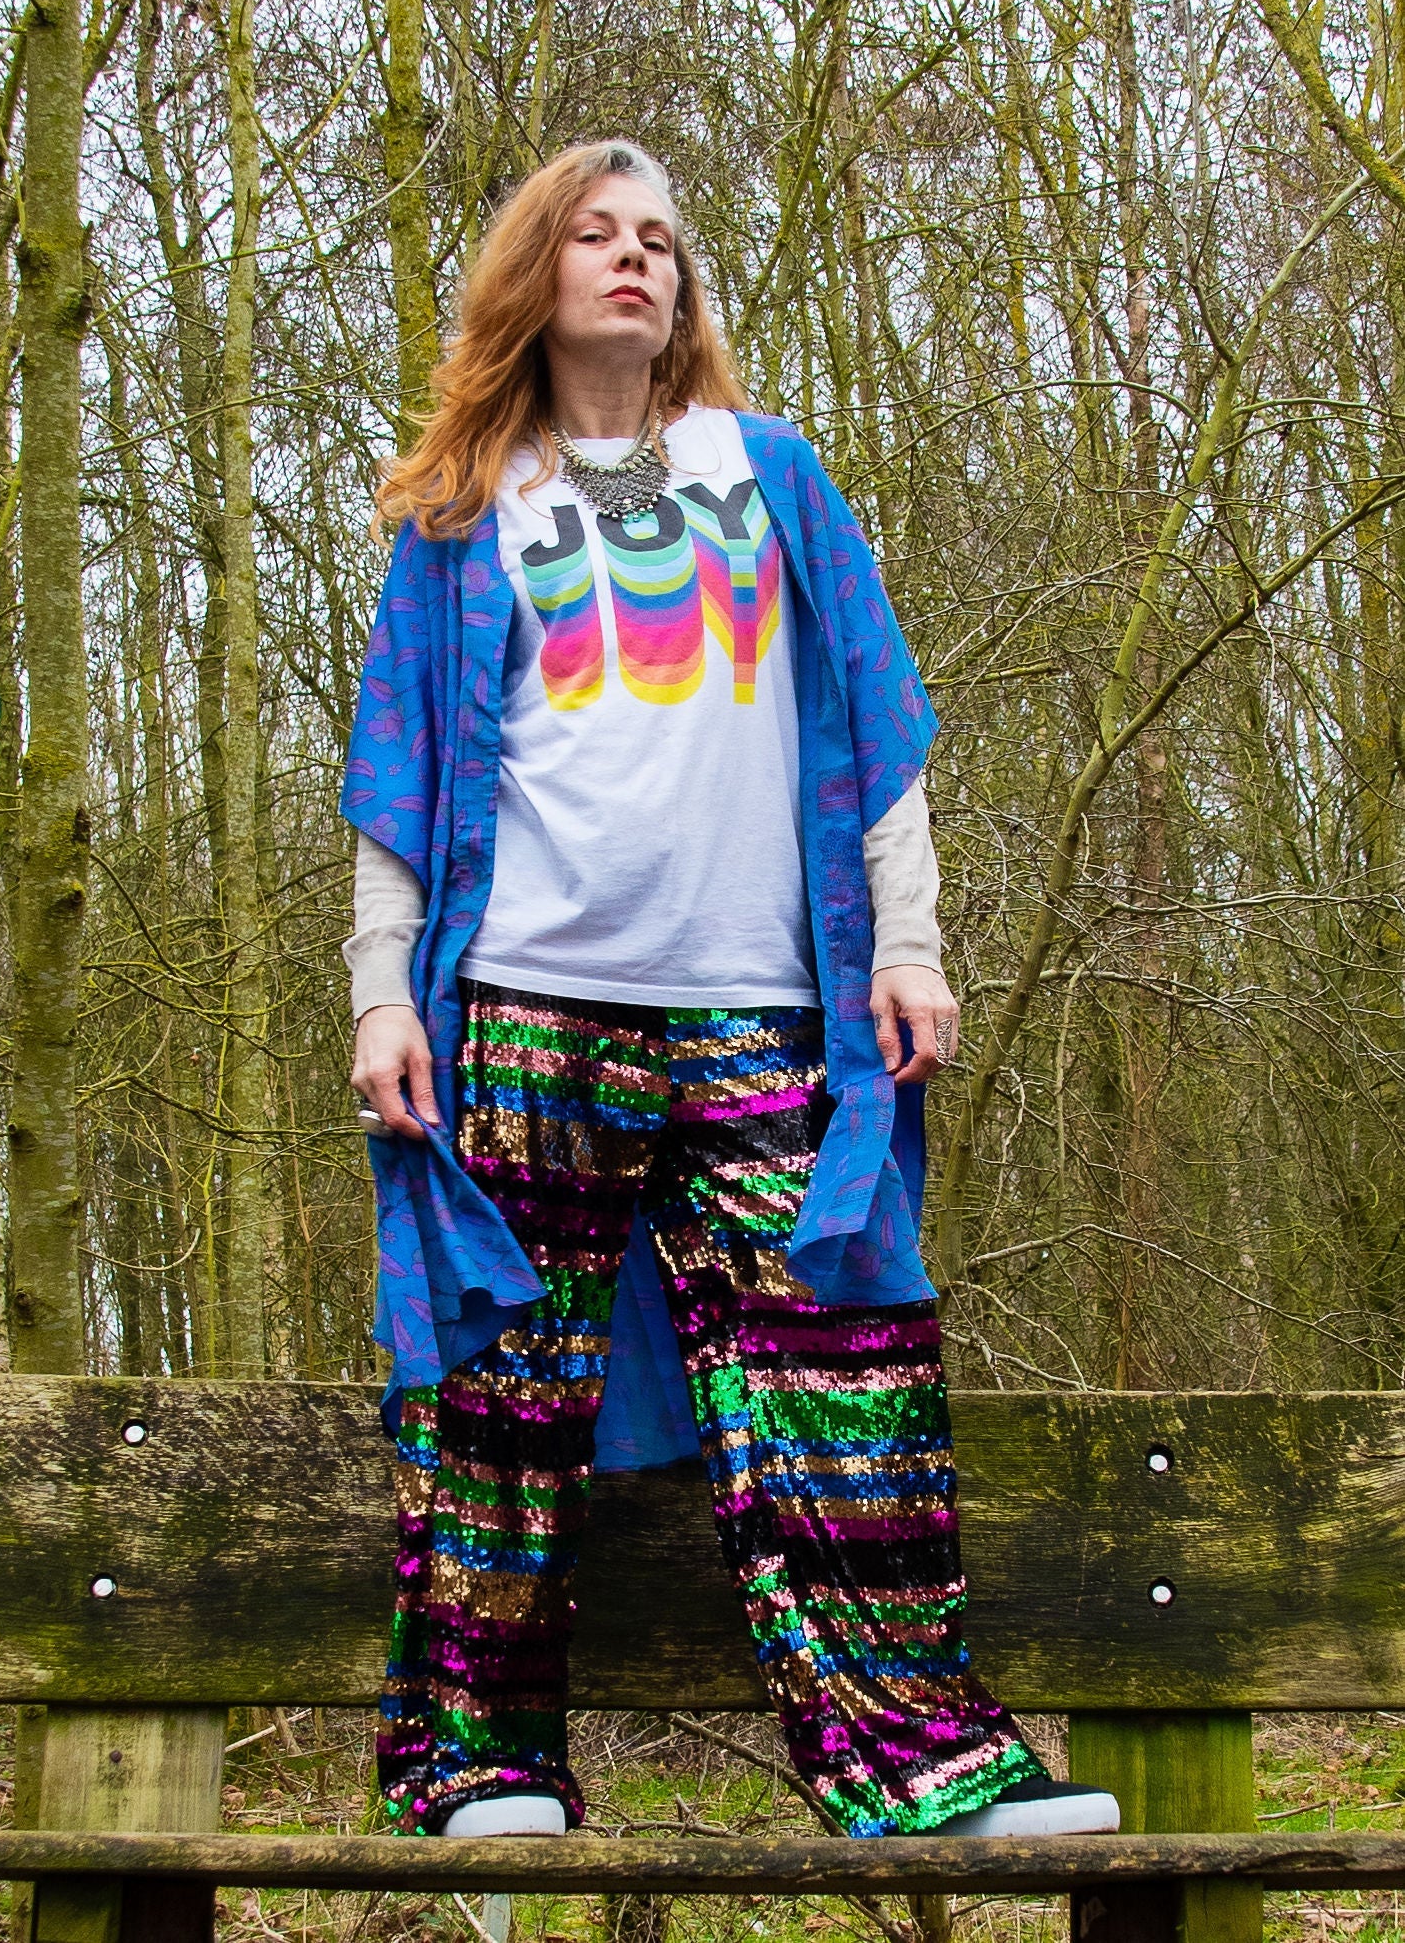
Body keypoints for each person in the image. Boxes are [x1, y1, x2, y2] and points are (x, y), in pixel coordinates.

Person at [341, 140, 1119, 1844]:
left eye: (663, 243)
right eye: (598, 235)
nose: (636, 262)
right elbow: (395, 780)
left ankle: (922, 1765)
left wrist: (906, 944)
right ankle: (475, 1767)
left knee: (844, 1370)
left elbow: (876, 733)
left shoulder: (770, 475)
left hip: (763, 1012)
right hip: (525, 1012)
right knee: (502, 1384)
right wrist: (378, 996)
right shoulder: (464, 514)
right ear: (534, 274)